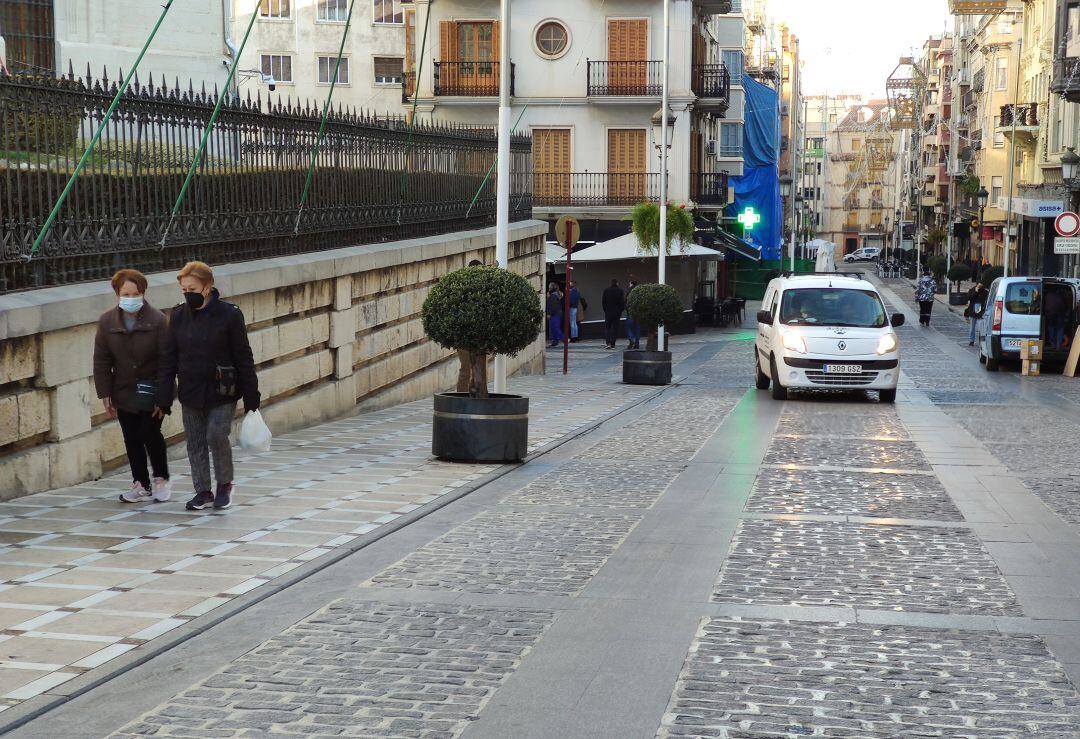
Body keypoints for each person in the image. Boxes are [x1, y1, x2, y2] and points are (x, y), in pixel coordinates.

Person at [156, 262, 260, 512]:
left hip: (222, 390)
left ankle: (225, 483)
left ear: (207, 287)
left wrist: (251, 394)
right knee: (195, 442)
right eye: (183, 289)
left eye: (192, 288)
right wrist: (164, 397)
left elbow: (243, 355)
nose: (187, 293)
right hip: (190, 390)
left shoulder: (230, 314)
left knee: (215, 434)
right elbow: (169, 357)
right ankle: (202, 491)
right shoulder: (178, 315)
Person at [93, 269, 172, 504]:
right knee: (131, 436)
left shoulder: (158, 320)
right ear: (117, 293)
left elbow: (168, 361)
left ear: (143, 293)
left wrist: (164, 396)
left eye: (136, 293)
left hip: (152, 387)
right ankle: (141, 483)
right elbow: (102, 359)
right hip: (123, 389)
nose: (131, 298)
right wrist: (104, 392)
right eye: (126, 293)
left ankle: (161, 478)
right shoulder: (107, 321)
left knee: (149, 432)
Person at [457, 260, 484, 392]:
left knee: (478, 369)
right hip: (464, 336)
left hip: (479, 335)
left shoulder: (483, 289)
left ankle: (475, 394)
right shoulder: (462, 288)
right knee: (466, 369)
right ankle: (461, 397)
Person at [601, 278, 626, 350]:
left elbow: (603, 302)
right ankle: (613, 344)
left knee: (607, 328)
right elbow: (622, 302)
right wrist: (621, 310)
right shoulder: (620, 291)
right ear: (617, 283)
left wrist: (605, 310)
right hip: (617, 313)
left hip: (608, 312)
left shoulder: (606, 290)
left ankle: (607, 343)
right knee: (615, 328)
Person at [963, 282, 989, 346]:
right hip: (973, 311)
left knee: (981, 327)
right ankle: (971, 341)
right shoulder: (973, 290)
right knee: (972, 327)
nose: (980, 285)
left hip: (981, 311)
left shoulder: (985, 292)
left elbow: (987, 301)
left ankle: (982, 341)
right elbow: (969, 298)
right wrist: (976, 291)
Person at [546, 283, 565, 348]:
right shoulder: (555, 294)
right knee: (553, 328)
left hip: (555, 314)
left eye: (549, 287)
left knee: (555, 328)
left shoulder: (553, 295)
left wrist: (549, 313)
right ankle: (555, 341)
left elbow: (552, 305)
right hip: (557, 313)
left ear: (551, 288)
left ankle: (564, 339)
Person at [625, 276, 641, 350]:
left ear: (631, 284)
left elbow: (625, 302)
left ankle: (631, 339)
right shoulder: (640, 292)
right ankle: (637, 343)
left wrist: (627, 309)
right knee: (637, 328)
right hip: (638, 313)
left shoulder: (628, 291)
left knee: (629, 328)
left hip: (630, 313)